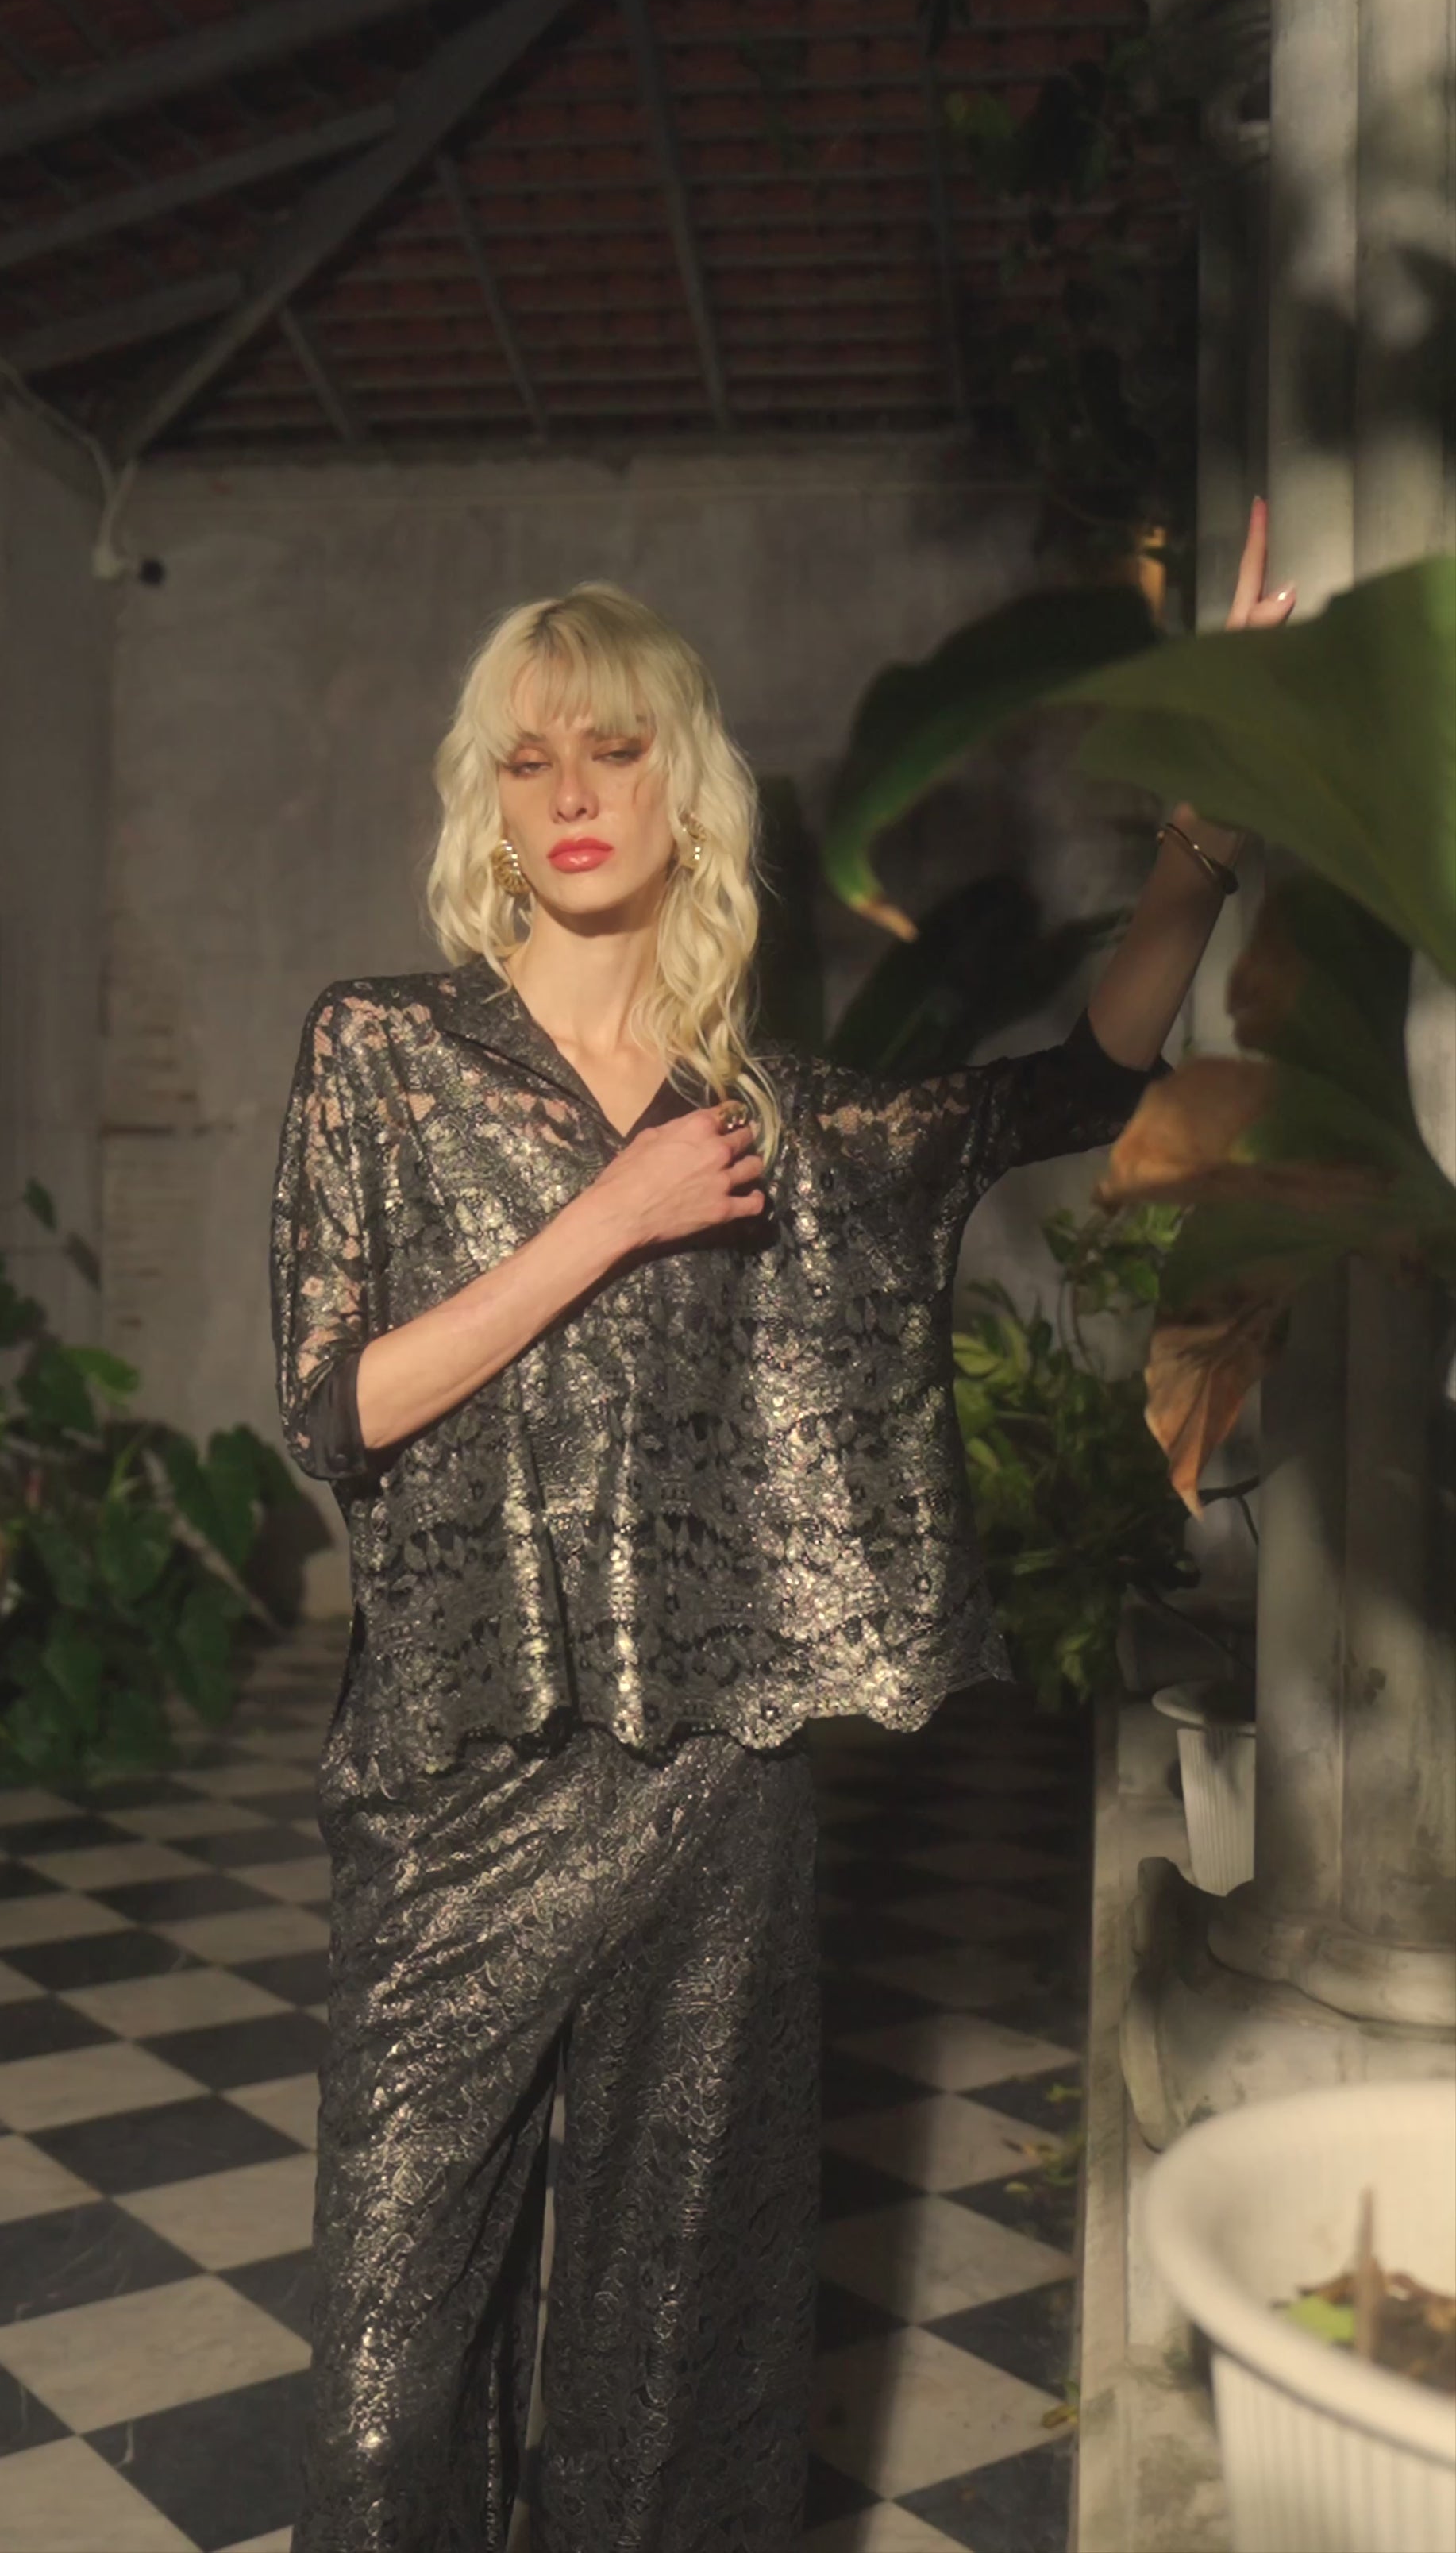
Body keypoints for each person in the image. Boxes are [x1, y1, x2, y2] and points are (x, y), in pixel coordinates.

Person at [270, 504, 1294, 2553]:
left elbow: (1073, 1090)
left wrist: (1200, 828)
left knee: (676, 2342)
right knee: (387, 2401)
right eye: (533, 758)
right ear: (494, 803)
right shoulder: (380, 1053)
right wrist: (613, 1215)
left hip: (711, 1792)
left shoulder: (783, 1125)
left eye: (617, 748)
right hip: (456, 1785)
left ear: (687, 792)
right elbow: (336, 1403)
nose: (575, 791)